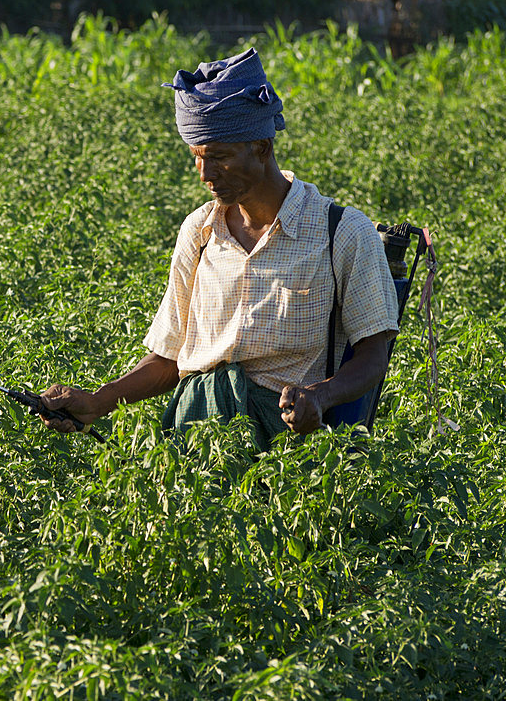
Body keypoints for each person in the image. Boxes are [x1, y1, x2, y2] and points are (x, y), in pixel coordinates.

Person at [40, 48, 399, 450]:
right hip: (191, 439)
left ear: (262, 147)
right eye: (197, 158)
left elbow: (373, 356)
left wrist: (320, 395)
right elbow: (171, 357)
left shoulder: (342, 232)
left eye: (220, 158)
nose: (206, 175)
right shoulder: (200, 231)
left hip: (283, 452)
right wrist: (96, 401)